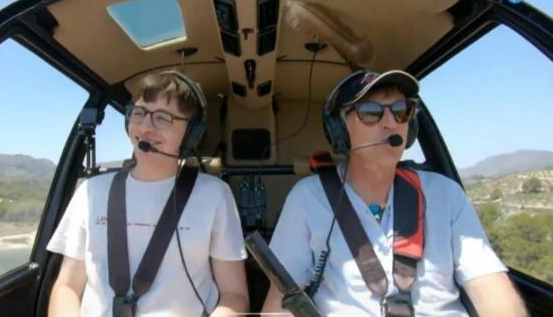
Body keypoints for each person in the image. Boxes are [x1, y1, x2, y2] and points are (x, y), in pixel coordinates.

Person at [262, 69, 527, 316]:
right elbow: (281, 300)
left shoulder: (445, 194)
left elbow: (489, 285)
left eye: (401, 111)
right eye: (370, 112)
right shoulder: (308, 198)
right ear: (340, 129)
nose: (390, 123)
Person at [47, 70, 248, 316]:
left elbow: (235, 295)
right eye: (139, 114)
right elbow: (67, 286)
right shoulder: (91, 192)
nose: (145, 127)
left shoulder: (215, 195)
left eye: (162, 118)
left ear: (192, 133)